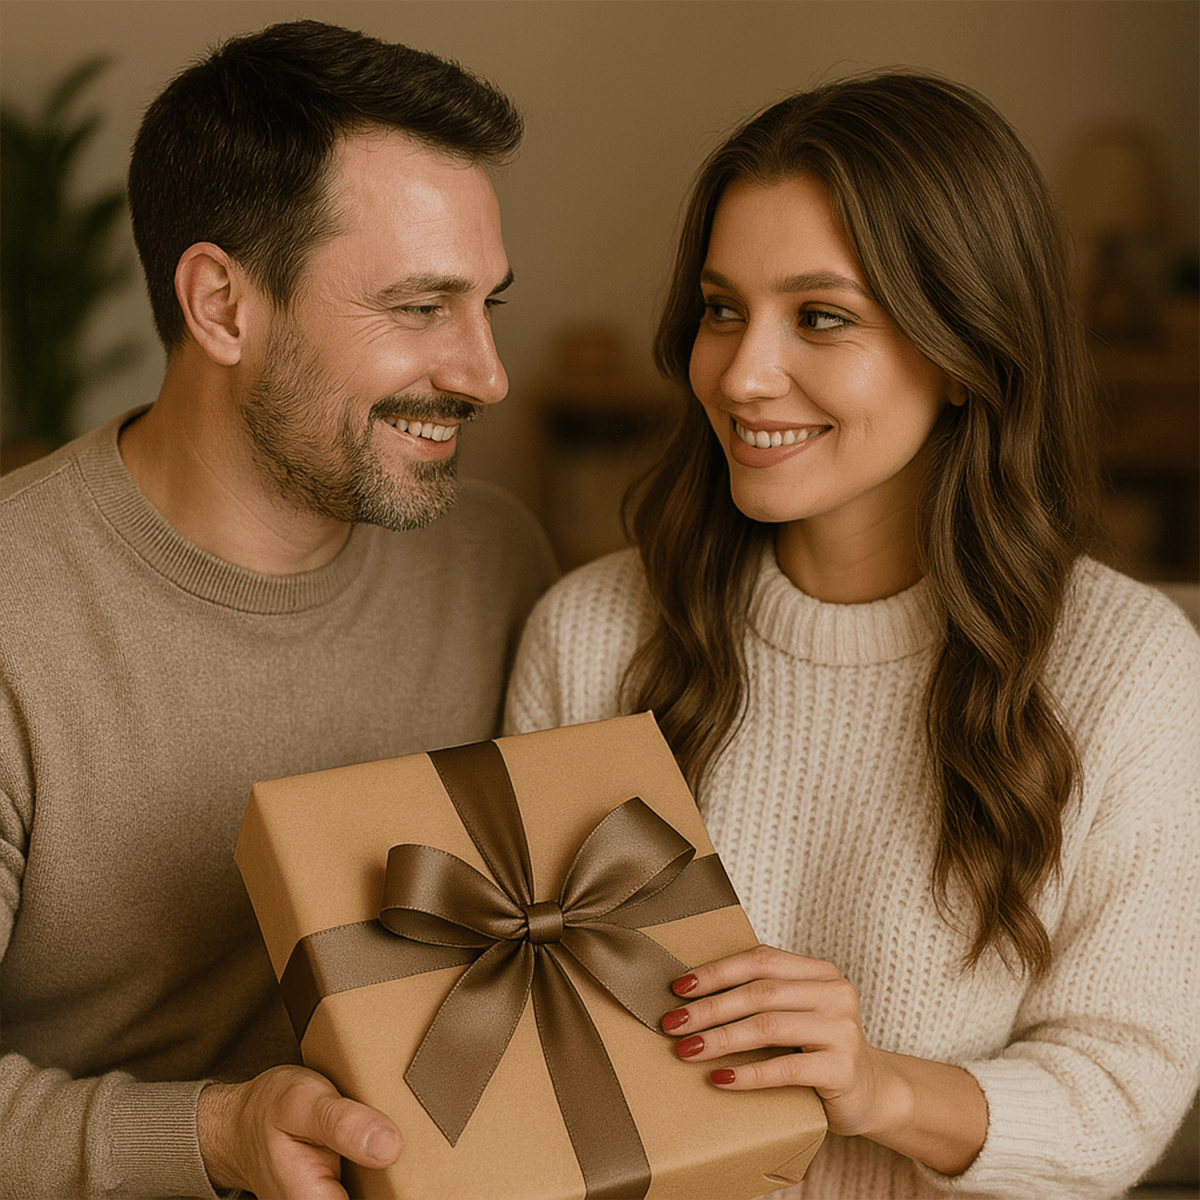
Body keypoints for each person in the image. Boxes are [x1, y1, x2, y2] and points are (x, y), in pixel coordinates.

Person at [505, 71, 1199, 1199]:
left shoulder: (1129, 669)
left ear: (967, 352)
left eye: (820, 316)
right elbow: (524, 1066)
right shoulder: (590, 636)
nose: (741, 372)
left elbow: (1123, 1096)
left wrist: (873, 1085)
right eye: (722, 309)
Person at [0, 20, 556, 1200]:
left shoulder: (498, 561)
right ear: (221, 304)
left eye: (487, 303)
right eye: (419, 308)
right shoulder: (14, 609)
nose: (485, 371)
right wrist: (213, 1135)